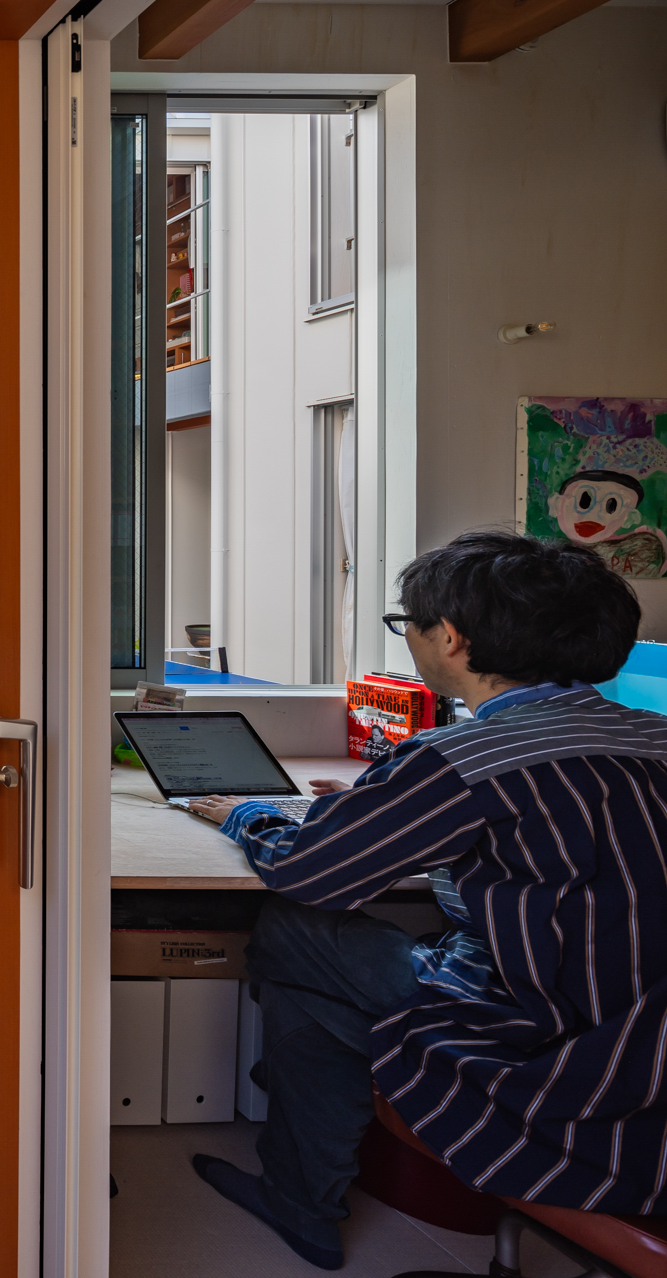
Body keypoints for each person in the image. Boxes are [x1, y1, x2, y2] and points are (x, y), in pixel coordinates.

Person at [182, 531, 663, 1270]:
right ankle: (301, 1183)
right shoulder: (652, 738)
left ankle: (301, 1197)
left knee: (293, 930)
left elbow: (309, 870)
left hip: (546, 1053)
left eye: (405, 623)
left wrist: (246, 814)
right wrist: (383, 812)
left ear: (451, 637)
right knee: (325, 990)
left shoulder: (460, 759)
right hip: (647, 1051)